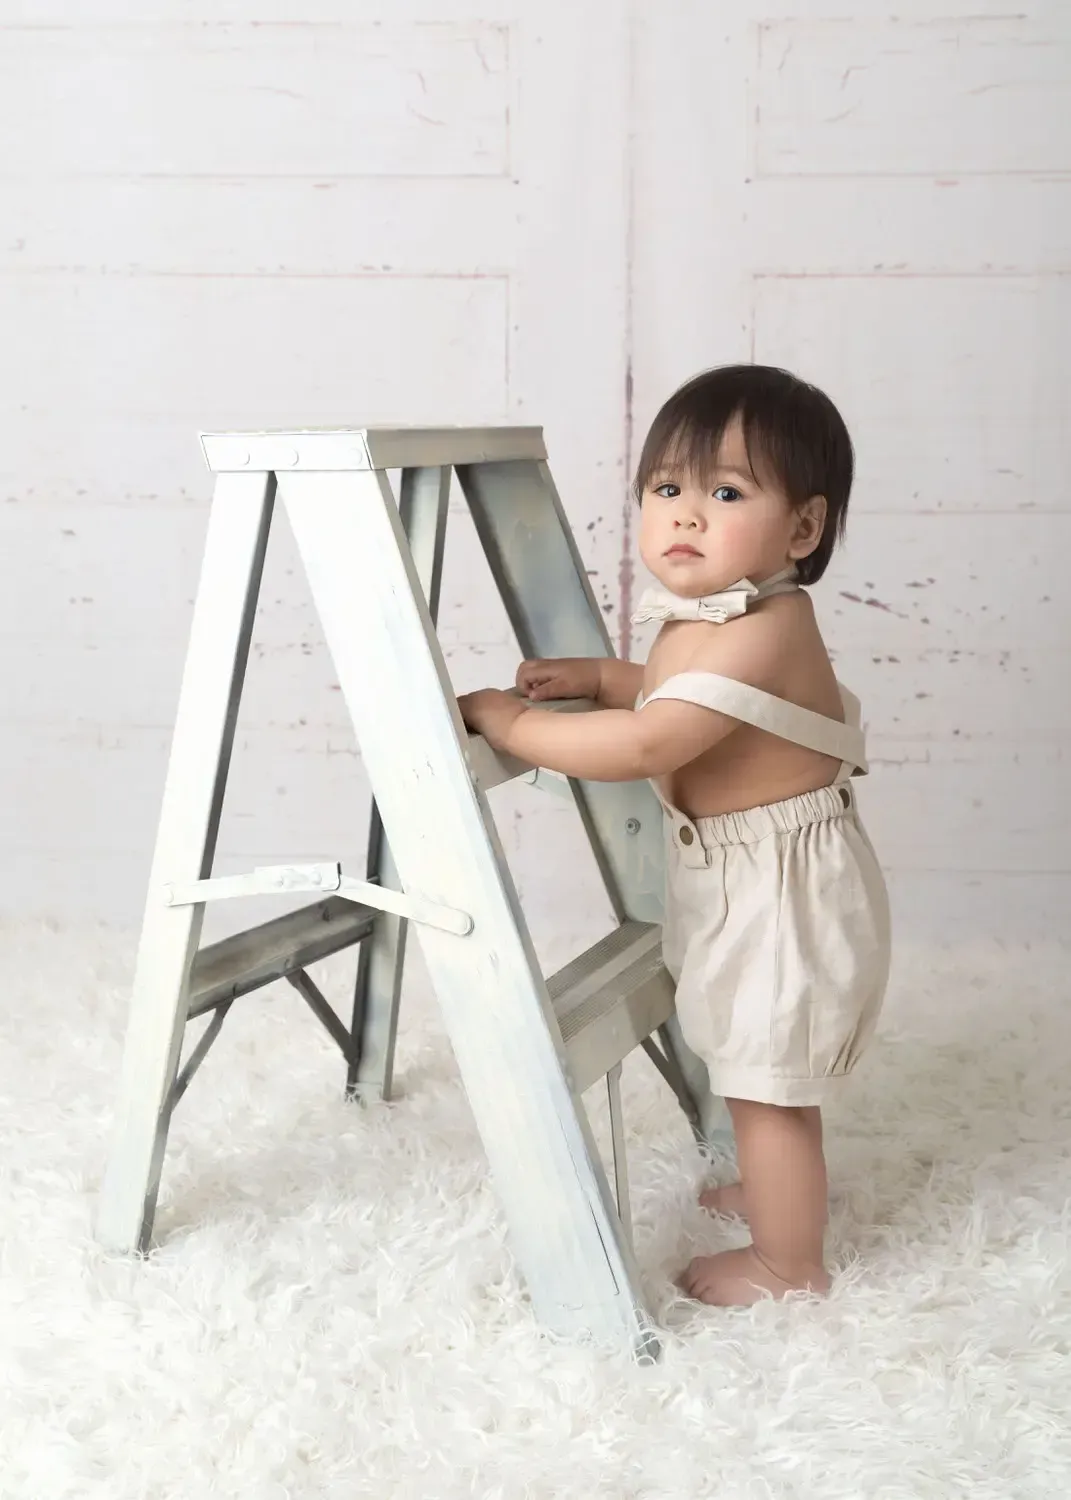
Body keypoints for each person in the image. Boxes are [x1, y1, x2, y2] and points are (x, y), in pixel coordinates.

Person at [458, 364, 891, 1306]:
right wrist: (604, 678)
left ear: (802, 529)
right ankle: (776, 1194)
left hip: (783, 892)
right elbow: (669, 695)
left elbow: (651, 741)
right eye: (665, 489)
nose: (684, 515)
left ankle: (788, 1262)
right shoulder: (714, 617)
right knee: (747, 1058)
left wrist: (511, 723)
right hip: (742, 875)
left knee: (767, 1084)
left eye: (725, 493)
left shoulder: (764, 627)